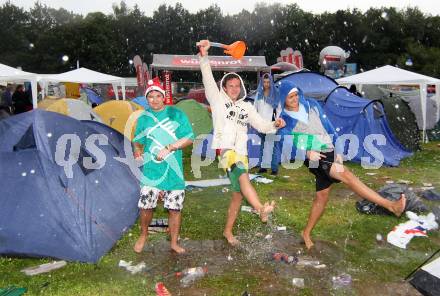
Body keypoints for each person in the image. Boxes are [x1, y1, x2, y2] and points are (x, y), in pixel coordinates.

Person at [272, 83, 406, 250]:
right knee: (348, 176)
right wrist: (306, 153)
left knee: (322, 197)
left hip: (329, 151)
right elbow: (285, 141)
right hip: (315, 156)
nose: (295, 99)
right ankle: (391, 206)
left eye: (296, 95)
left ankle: (305, 233)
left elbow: (328, 127)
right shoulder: (285, 117)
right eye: (290, 97)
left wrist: (339, 151)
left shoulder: (312, 105)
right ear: (283, 98)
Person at [198, 40, 286, 246]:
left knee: (238, 194)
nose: (235, 89)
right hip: (226, 150)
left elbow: (262, 125)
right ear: (224, 87)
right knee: (243, 176)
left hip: (242, 152)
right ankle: (260, 208)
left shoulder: (247, 107)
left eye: (238, 86)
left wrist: (275, 123)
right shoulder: (217, 100)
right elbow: (208, 78)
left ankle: (228, 232)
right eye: (231, 85)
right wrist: (203, 56)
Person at [132, 79, 194, 254]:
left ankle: (174, 242)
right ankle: (144, 235)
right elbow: (138, 141)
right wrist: (137, 151)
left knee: (175, 208)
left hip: (173, 171)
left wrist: (170, 147)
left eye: (158, 96)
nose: (154, 99)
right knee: (146, 206)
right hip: (152, 171)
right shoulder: (144, 117)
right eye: (150, 96)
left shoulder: (176, 114)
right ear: (147, 99)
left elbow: (189, 137)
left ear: (163, 97)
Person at [254, 73, 281, 175]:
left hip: (271, 125)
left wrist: (277, 121)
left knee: (272, 147)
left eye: (268, 82)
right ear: (262, 82)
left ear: (271, 82)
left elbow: (279, 108)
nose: (266, 84)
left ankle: (274, 169)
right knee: (263, 146)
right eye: (264, 82)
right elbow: (254, 108)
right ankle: (263, 167)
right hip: (261, 124)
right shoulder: (259, 93)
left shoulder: (275, 93)